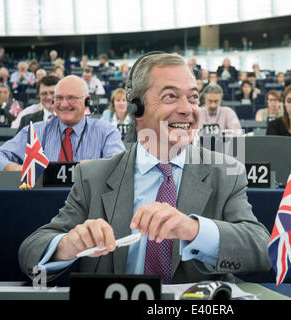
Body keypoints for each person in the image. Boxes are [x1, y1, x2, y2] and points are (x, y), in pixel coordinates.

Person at [18, 53, 271, 284]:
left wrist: (194, 230)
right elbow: (30, 251)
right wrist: (67, 245)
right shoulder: (92, 177)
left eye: (193, 97)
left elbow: (260, 250)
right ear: (136, 107)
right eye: (171, 96)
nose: (187, 109)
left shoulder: (225, 173)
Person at [0, 75, 125, 171]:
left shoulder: (106, 132)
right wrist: (20, 169)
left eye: (71, 98)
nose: (64, 104)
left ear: (87, 100)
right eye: (59, 98)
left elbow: (121, 167)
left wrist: (95, 166)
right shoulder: (35, 132)